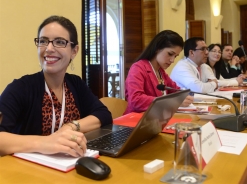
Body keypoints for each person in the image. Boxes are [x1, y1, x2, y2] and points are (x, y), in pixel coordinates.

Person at [0, 16, 112, 157]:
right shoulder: (20, 88)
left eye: (59, 42)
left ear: (74, 51)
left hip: (68, 168)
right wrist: (44, 143)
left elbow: (103, 115)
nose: (49, 48)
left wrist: (71, 126)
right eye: (43, 41)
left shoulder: (75, 84)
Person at [124, 30, 194, 114]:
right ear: (157, 48)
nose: (172, 60)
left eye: (175, 56)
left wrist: (183, 96)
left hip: (156, 118)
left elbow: (175, 90)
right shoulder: (138, 68)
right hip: (136, 121)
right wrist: (171, 102)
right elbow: (136, 100)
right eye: (170, 54)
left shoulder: (161, 71)